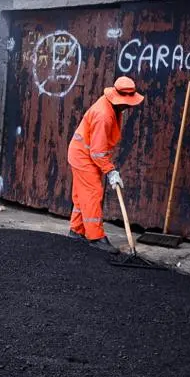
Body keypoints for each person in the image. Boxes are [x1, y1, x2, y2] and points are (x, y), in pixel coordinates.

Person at [67, 76, 145, 254]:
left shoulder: (111, 107)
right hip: (83, 156)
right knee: (92, 193)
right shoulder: (103, 115)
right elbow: (97, 151)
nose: (129, 106)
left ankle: (76, 230)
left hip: (84, 153)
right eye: (127, 103)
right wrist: (111, 171)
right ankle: (96, 237)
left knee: (82, 196)